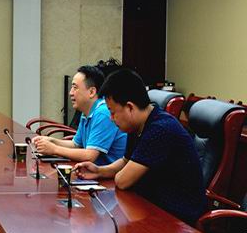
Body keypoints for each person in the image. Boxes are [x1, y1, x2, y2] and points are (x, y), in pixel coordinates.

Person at [74, 69, 207, 224]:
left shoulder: (160, 129)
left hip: (176, 218)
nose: (111, 118)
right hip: (150, 205)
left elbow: (123, 181)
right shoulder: (139, 124)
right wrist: (99, 171)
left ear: (130, 107)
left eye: (112, 112)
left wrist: (117, 174)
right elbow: (126, 161)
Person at [33, 65, 126, 165]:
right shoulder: (86, 111)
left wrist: (54, 149)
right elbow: (76, 144)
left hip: (110, 173)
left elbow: (90, 156)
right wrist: (51, 141)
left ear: (91, 92)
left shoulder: (102, 113)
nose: (70, 93)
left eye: (75, 87)